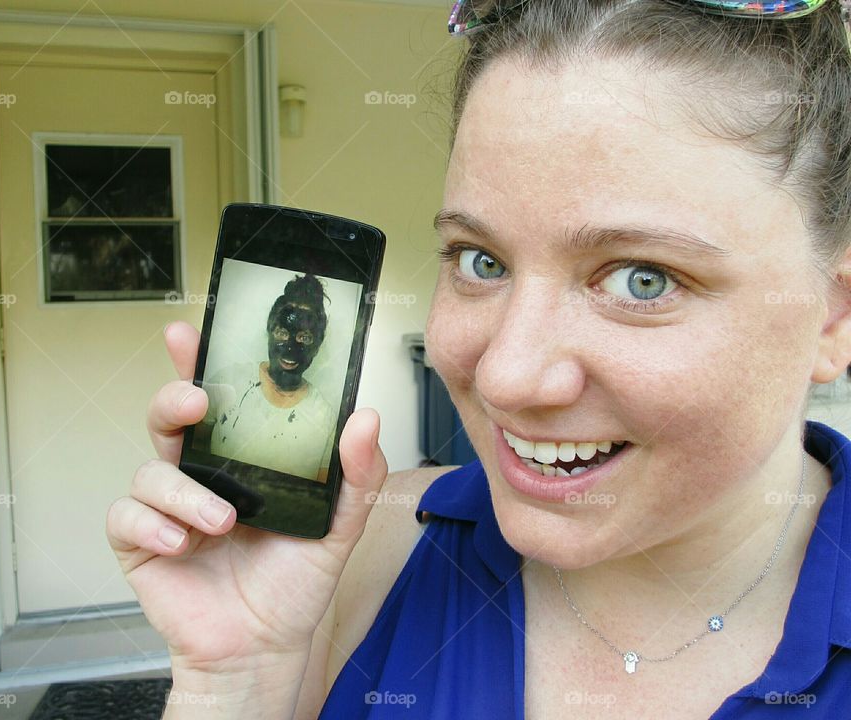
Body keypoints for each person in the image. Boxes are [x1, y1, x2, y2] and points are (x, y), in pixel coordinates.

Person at [105, 0, 851, 717]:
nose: (504, 376)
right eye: (481, 261)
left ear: (834, 314)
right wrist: (234, 679)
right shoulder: (367, 552)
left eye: (640, 279)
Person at [198, 273, 336, 482]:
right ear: (269, 331)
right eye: (282, 333)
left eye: (305, 337)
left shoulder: (324, 416)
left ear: (317, 345)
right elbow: (194, 453)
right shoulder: (227, 381)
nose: (290, 349)